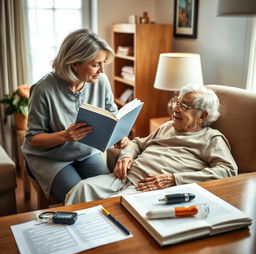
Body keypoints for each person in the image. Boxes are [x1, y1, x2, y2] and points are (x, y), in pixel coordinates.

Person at [65, 83, 238, 205]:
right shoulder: (167, 126)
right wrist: (126, 156)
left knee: (114, 208)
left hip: (149, 189)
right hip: (123, 178)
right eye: (177, 103)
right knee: (81, 190)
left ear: (203, 116)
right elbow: (138, 143)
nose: (176, 109)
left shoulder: (212, 138)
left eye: (184, 106)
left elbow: (228, 171)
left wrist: (175, 179)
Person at [22, 29, 129, 202]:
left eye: (103, 63)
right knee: (80, 197)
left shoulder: (100, 81)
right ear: (74, 64)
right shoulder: (42, 89)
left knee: (107, 193)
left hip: (86, 152)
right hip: (50, 156)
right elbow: (33, 138)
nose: (102, 70)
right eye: (96, 64)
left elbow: (113, 115)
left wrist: (120, 134)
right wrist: (65, 135)